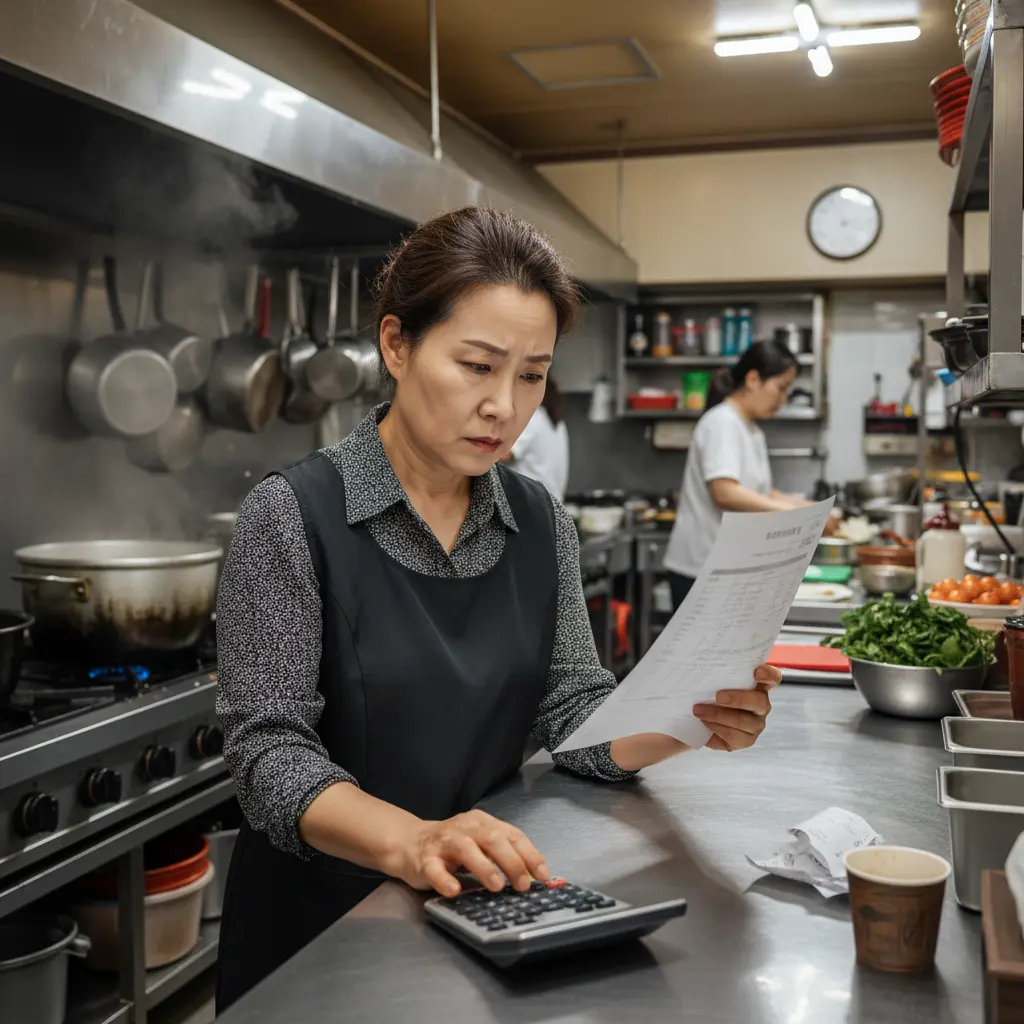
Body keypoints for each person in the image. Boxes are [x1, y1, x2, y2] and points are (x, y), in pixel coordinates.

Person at [214, 206, 782, 1011]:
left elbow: (574, 712)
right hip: (323, 934)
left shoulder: (536, 517)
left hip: (491, 910)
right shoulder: (293, 515)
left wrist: (690, 717)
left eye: (530, 374)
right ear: (397, 345)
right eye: (477, 365)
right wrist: (412, 841)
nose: (504, 407)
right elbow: (268, 754)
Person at [664, 339, 827, 608]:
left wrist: (813, 510)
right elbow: (725, 492)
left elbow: (762, 492)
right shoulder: (722, 422)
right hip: (701, 571)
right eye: (781, 388)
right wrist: (798, 515)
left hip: (726, 568)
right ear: (753, 379)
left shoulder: (750, 430)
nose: (784, 399)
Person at [503, 376, 570, 499]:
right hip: (550, 504)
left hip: (530, 505)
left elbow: (505, 455)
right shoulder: (555, 420)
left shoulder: (531, 417)